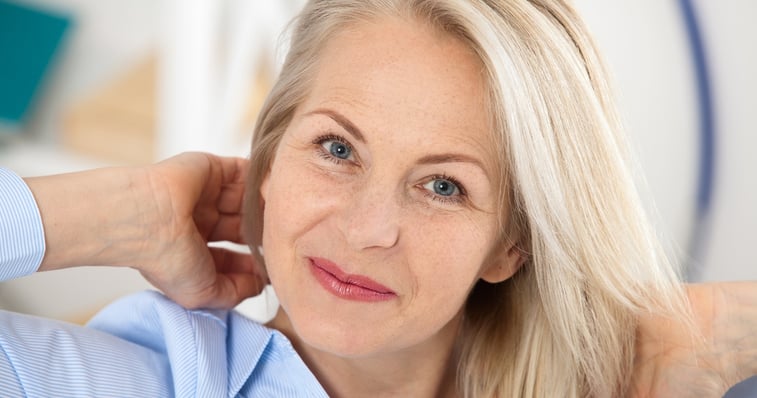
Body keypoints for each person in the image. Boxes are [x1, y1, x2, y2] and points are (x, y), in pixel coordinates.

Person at [0, 0, 755, 397]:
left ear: (510, 245)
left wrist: (718, 332)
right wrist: (100, 214)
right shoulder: (145, 379)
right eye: (336, 149)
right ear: (267, 163)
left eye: (442, 186)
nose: (368, 230)